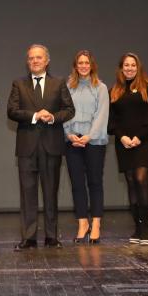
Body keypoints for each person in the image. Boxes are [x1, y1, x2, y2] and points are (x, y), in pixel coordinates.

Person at [7, 44, 75, 251]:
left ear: (47, 61)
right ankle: (28, 237)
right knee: (27, 194)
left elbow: (69, 110)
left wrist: (53, 117)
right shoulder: (18, 83)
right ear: (27, 62)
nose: (34, 61)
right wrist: (36, 116)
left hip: (51, 146)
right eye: (31, 58)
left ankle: (51, 236)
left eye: (38, 58)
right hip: (27, 147)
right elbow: (12, 111)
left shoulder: (58, 83)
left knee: (50, 193)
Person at [108, 53, 148, 245]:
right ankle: (137, 227)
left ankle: (146, 227)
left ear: (138, 67)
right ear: (121, 68)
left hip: (144, 142)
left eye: (133, 65)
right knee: (131, 182)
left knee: (140, 179)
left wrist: (139, 137)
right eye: (126, 65)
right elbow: (112, 120)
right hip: (123, 143)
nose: (129, 68)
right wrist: (122, 137)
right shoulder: (114, 91)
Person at [62, 50, 109, 244]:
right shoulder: (67, 87)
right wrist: (68, 134)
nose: (83, 66)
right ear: (75, 66)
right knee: (77, 184)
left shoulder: (100, 87)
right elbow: (63, 112)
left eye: (86, 63)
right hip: (72, 141)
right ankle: (83, 223)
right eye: (80, 63)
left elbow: (101, 115)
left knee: (95, 183)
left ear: (92, 65)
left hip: (94, 141)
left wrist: (89, 136)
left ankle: (96, 224)